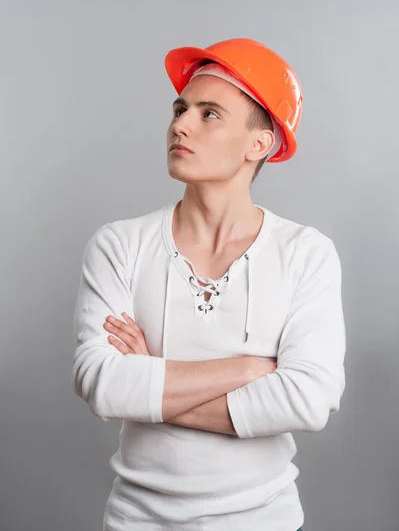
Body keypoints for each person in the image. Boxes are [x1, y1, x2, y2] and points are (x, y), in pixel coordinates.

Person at [72, 38, 346, 531]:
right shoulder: (120, 244)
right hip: (136, 520)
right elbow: (102, 385)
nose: (179, 124)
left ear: (258, 144)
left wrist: (150, 376)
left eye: (209, 113)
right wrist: (247, 369)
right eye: (181, 108)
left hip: (266, 522)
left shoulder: (306, 253)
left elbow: (308, 399)